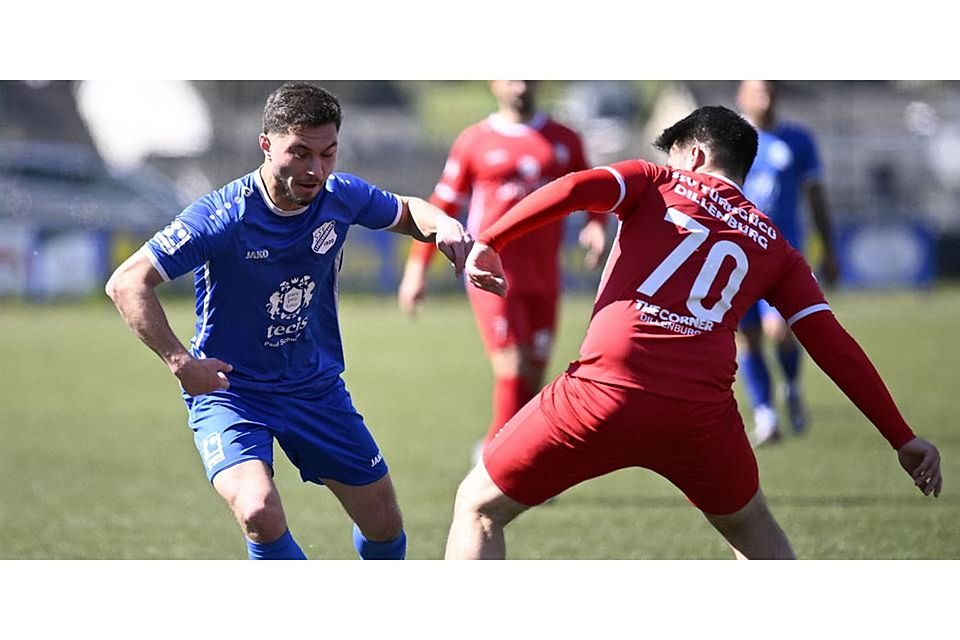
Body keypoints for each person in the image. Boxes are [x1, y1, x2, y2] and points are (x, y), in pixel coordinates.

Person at [444, 105, 942, 560]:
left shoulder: (654, 179)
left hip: (603, 390)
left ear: (697, 155)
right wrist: (901, 437)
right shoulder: (777, 248)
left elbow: (575, 188)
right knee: (752, 527)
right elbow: (833, 344)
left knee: (478, 507)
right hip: (700, 414)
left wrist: (491, 238)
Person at [105, 82, 472, 560]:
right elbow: (127, 283)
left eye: (328, 153)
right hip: (233, 391)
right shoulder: (222, 216)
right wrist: (180, 362)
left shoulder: (340, 196)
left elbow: (407, 211)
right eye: (299, 153)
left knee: (384, 523)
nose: (315, 170)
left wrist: (444, 225)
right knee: (258, 510)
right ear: (266, 145)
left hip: (314, 387)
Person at [397, 80, 607, 460]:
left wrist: (595, 222)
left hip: (544, 277)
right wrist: (416, 269)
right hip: (490, 274)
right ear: (494, 82)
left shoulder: (564, 139)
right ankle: (498, 463)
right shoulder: (474, 141)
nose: (521, 83)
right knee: (511, 365)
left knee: (533, 375)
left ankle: (520, 460)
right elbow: (441, 205)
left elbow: (589, 187)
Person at [735, 80, 839, 445]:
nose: (765, 98)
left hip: (784, 256)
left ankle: (792, 386)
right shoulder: (730, 140)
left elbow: (816, 196)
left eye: (770, 91)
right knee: (747, 338)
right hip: (738, 258)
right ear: (741, 96)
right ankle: (766, 415)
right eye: (757, 91)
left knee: (779, 331)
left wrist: (829, 248)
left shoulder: (797, 140)